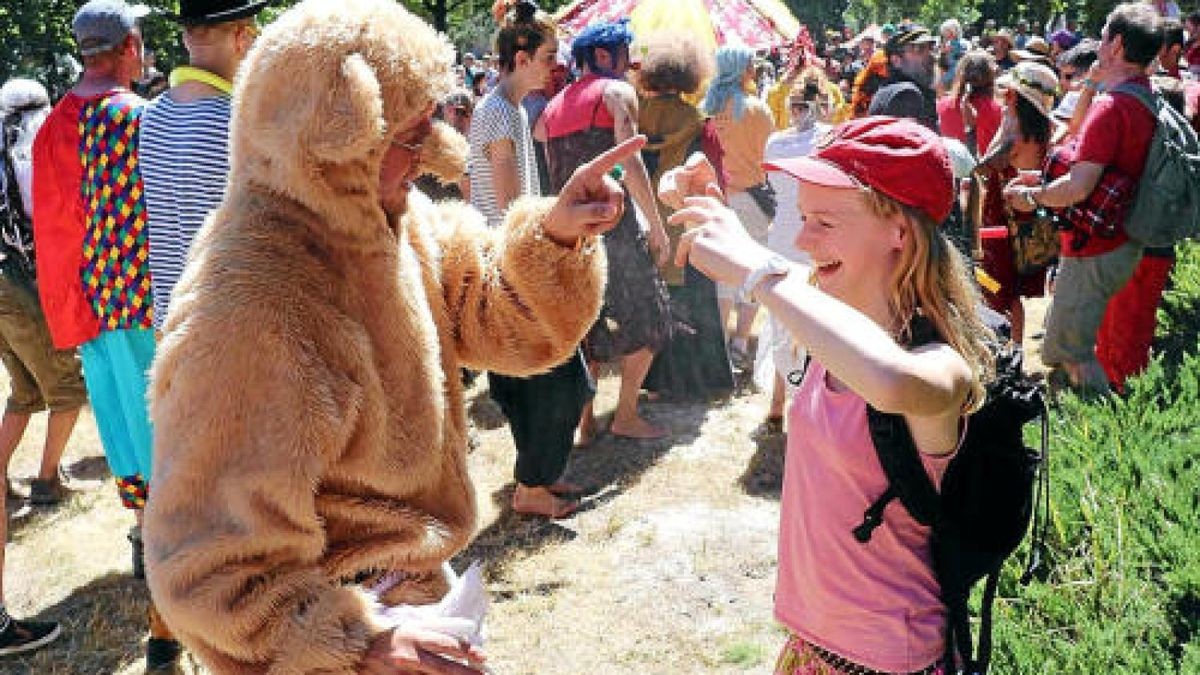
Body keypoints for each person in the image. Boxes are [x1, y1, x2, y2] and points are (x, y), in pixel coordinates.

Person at [143, 0, 643, 671]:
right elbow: (208, 566)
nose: (432, 152)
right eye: (410, 133)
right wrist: (360, 644)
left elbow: (512, 321)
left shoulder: (394, 224)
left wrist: (557, 234)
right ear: (336, 140)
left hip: (412, 614)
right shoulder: (247, 307)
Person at [662, 115, 991, 675]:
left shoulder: (942, 365)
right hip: (814, 645)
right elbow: (788, 279)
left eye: (825, 222)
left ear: (899, 233)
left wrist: (755, 270)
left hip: (888, 660)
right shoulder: (831, 314)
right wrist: (719, 214)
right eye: (804, 217)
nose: (800, 239)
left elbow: (890, 383)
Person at [467, 0, 587, 519]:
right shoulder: (498, 111)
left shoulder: (509, 109)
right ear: (520, 56)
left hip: (512, 266)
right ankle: (532, 486)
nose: (553, 66)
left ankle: (537, 480)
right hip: (511, 270)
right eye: (547, 56)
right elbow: (512, 206)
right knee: (550, 381)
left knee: (551, 380)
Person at [1004, 2, 1163, 393]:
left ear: (1118, 44)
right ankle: (1075, 424)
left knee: (1070, 351)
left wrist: (1032, 197)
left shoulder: (1114, 107)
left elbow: (1079, 185)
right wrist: (1093, 82)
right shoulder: (1142, 96)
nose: (1098, 42)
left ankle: (1102, 436)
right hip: (1118, 241)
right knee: (1065, 347)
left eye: (1105, 35)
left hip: (1095, 249)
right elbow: (1079, 140)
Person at [537, 18, 674, 441]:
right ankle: (627, 415)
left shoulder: (551, 108)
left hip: (570, 234)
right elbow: (631, 164)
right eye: (622, 53)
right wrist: (656, 224)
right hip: (615, 228)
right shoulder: (616, 93)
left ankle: (585, 422)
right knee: (653, 316)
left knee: (587, 325)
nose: (629, 62)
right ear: (602, 56)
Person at [0, 77, 89, 659]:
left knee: (26, 392)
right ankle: (47, 479)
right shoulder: (27, 149)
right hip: (19, 282)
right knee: (69, 385)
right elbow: (48, 217)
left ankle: (6, 479)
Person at [634, 31, 733, 400]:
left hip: (643, 224)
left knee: (653, 301)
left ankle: (653, 381)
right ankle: (694, 383)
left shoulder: (634, 116)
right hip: (685, 223)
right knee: (694, 302)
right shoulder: (698, 121)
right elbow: (717, 177)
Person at [754, 70, 829, 429]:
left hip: (783, 233)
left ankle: (778, 400)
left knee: (781, 313)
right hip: (814, 231)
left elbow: (772, 185)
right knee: (815, 315)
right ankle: (803, 398)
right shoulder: (828, 139)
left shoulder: (774, 142)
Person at [975, 62, 1062, 343]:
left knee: (999, 288)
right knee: (1009, 289)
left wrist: (1005, 119)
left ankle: (1009, 348)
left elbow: (985, 166)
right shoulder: (1047, 128)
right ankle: (1014, 349)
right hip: (1027, 217)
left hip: (1006, 222)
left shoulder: (1015, 136)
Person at [701, 44, 776, 369]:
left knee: (722, 272)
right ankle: (741, 343)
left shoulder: (706, 109)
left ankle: (717, 346)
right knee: (752, 270)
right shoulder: (757, 109)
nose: (754, 70)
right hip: (751, 198)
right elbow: (770, 158)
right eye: (750, 65)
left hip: (717, 196)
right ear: (741, 70)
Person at [937, 50, 1003, 155]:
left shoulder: (942, 106)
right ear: (990, 77)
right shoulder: (999, 111)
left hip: (951, 168)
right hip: (984, 169)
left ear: (960, 75)